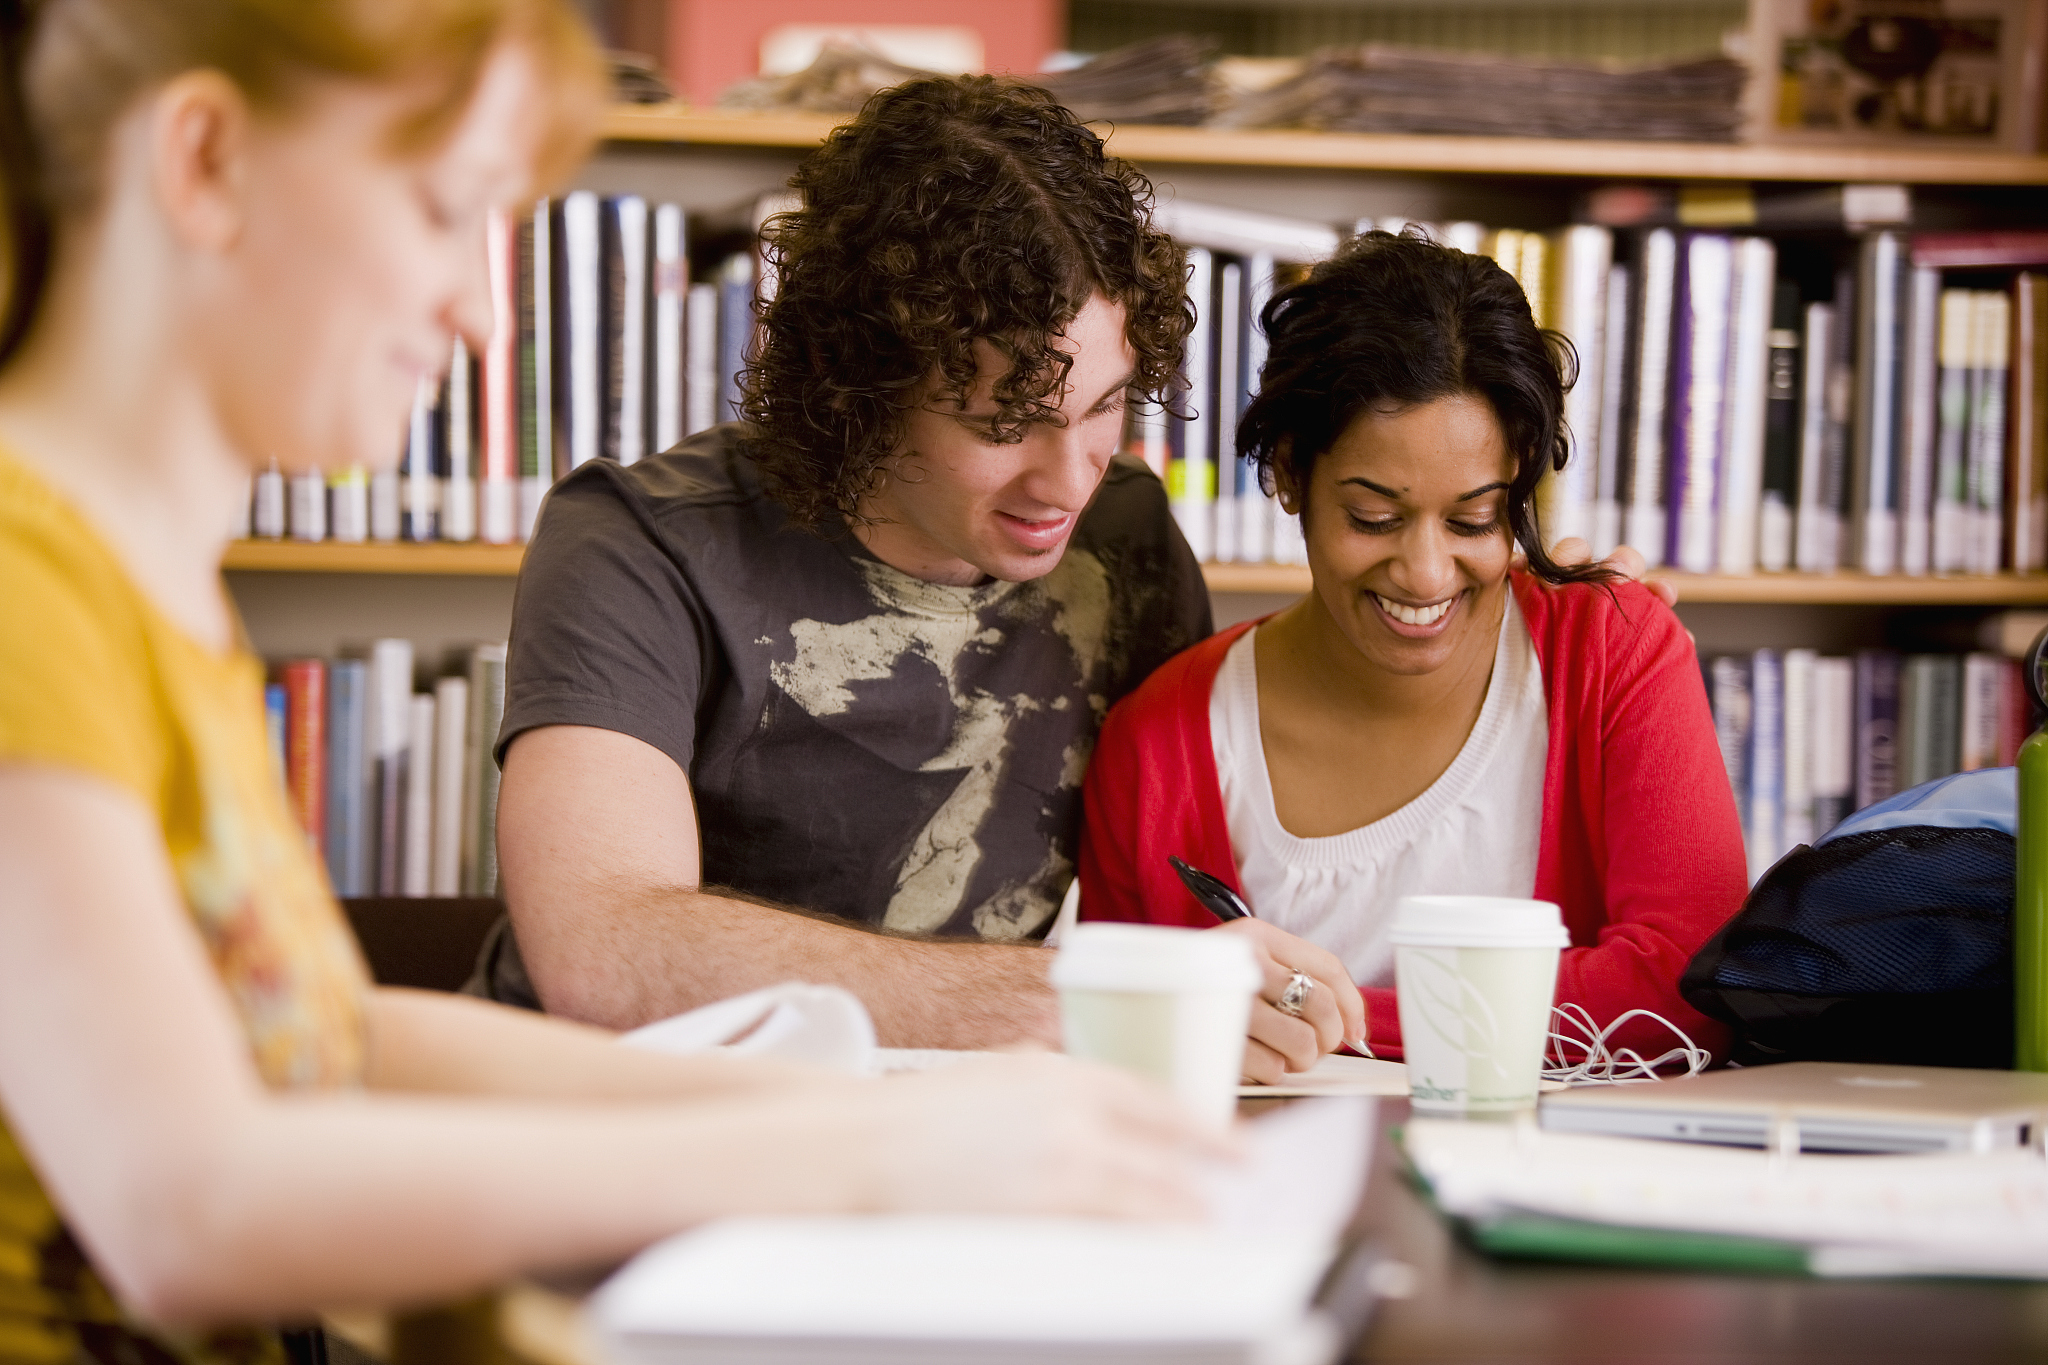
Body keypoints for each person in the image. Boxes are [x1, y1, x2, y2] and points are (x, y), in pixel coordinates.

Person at [0, 5, 1224, 1360]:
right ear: (204, 160)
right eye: (440, 209)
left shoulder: (135, 586)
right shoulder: (23, 584)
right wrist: (863, 1156)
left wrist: (879, 1119)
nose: (476, 311)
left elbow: (327, 1040)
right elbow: (183, 1209)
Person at [478, 77, 1664, 1079]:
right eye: (1001, 423)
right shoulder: (637, 544)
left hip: (960, 1139)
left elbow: (1228, 749)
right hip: (628, 1128)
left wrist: (1523, 604)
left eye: (1103, 408)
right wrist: (1070, 998)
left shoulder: (1124, 533)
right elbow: (603, 950)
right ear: (857, 390)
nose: (1068, 479)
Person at [1077, 229, 1747, 1062]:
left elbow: (1689, 989)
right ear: (1290, 474)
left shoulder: (1611, 651)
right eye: (1374, 518)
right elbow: (1123, 1048)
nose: (1426, 572)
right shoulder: (1157, 747)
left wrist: (1337, 1019)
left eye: (1474, 519)